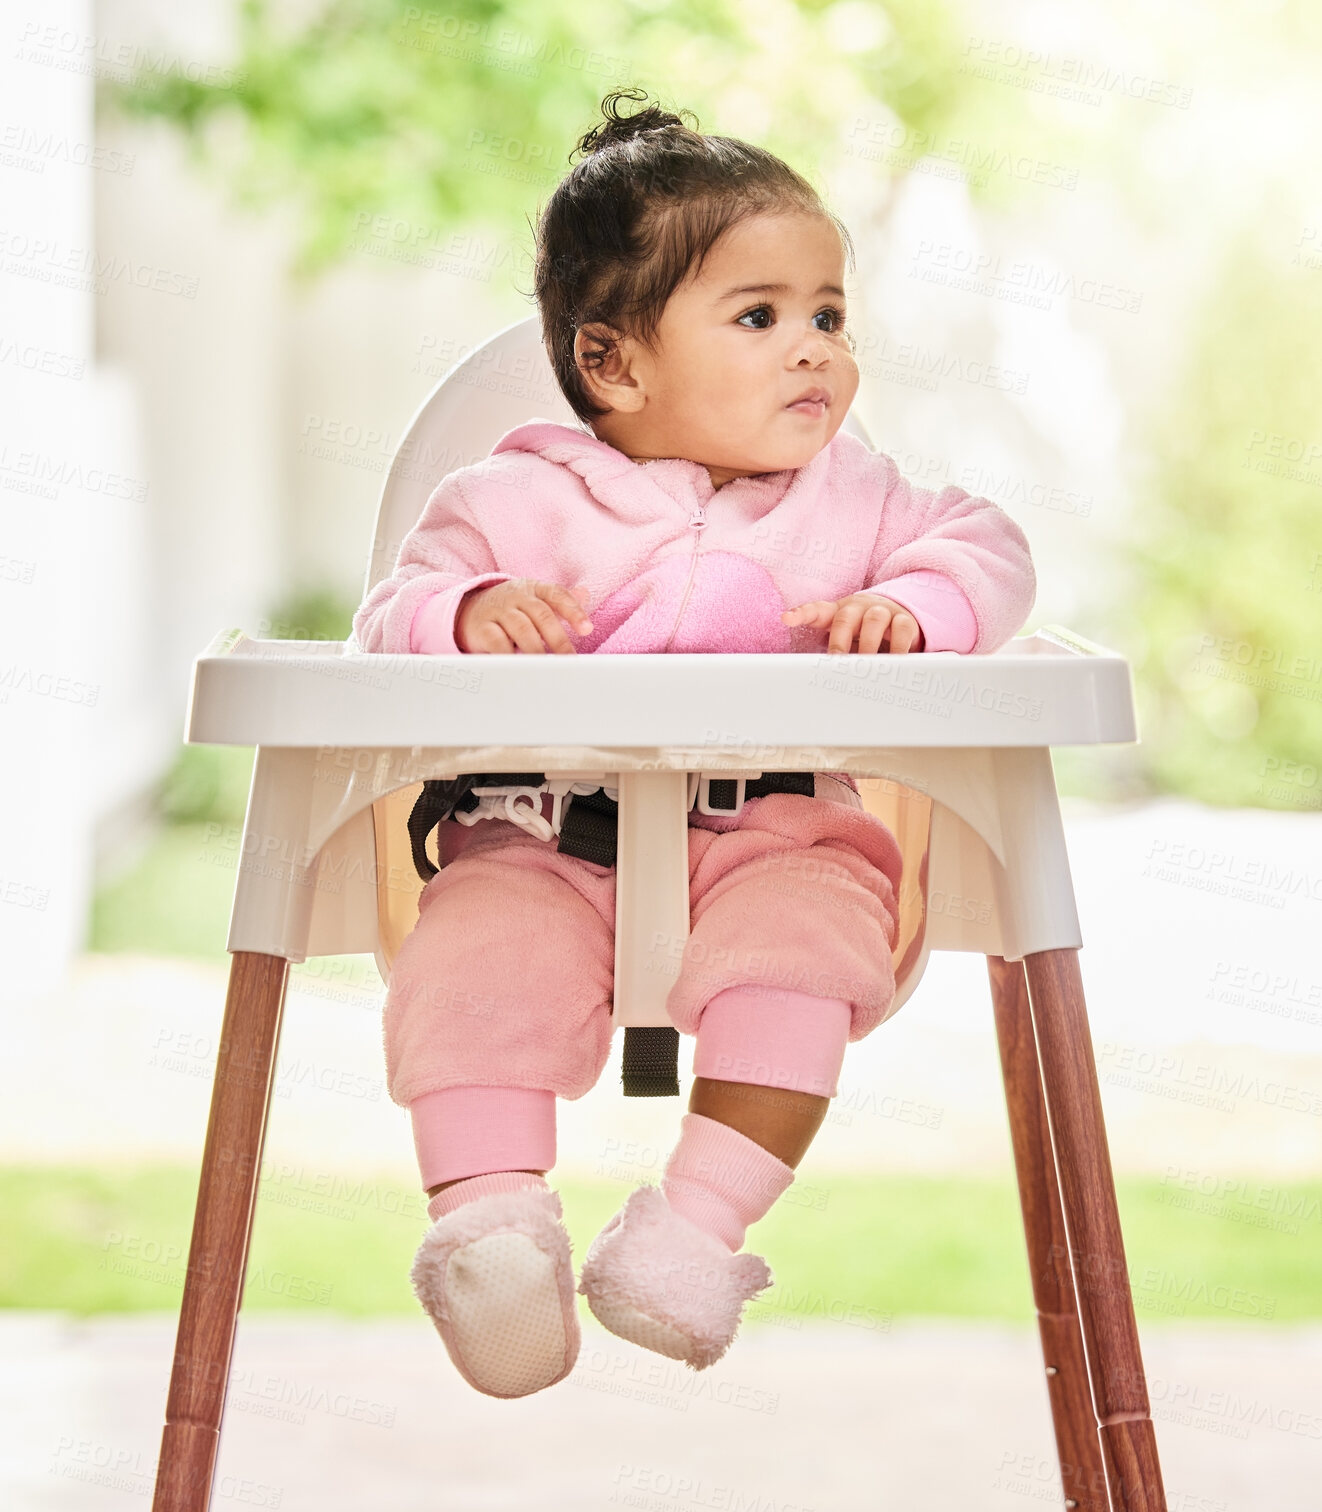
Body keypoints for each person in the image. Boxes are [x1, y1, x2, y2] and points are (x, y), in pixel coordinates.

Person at [351, 87, 1036, 1400]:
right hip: (539, 839)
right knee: (470, 971)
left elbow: (990, 548)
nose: (815, 353)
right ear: (614, 363)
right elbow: (388, 617)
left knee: (811, 946)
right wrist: (465, 610)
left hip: (773, 832)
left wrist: (916, 605)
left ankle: (692, 1233)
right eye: (761, 317)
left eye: (830, 316)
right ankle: (491, 1236)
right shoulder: (510, 497)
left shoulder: (857, 501)